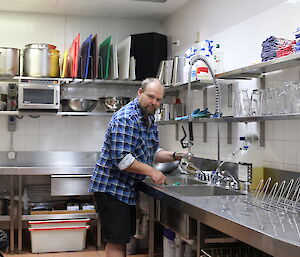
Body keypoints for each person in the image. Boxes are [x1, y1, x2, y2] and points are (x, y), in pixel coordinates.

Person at [89, 78, 186, 257]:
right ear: (140, 93)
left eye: (158, 99)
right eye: (151, 97)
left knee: (121, 239)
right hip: (112, 189)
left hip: (125, 189)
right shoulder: (126, 118)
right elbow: (122, 159)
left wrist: (175, 155)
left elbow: (152, 151)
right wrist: (151, 170)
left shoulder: (148, 118)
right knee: (117, 242)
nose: (154, 102)